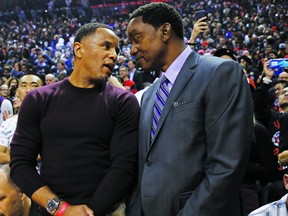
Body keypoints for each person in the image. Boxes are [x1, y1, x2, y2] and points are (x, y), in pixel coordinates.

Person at [126, 2, 253, 216]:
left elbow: (225, 167)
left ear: (165, 31)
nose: (132, 49)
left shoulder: (220, 72)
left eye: (136, 38)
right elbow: (144, 169)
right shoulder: (148, 96)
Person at [10, 22, 139, 216]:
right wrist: (61, 209)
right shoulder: (38, 99)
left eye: (116, 49)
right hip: (51, 211)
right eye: (106, 46)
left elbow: (123, 168)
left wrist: (87, 213)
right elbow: (20, 164)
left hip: (106, 211)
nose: (114, 55)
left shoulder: (123, 102)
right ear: (78, 49)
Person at [0, 74, 43, 165]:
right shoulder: (8, 123)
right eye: (23, 86)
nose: (28, 90)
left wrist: (12, 154)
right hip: (10, 172)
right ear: (18, 92)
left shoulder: (51, 119)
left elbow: (52, 153)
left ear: (44, 90)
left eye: (34, 86)